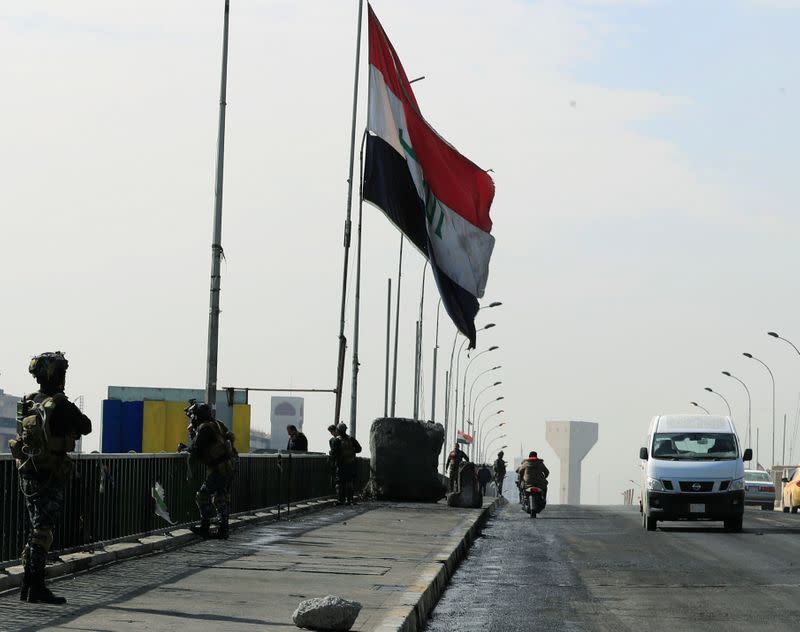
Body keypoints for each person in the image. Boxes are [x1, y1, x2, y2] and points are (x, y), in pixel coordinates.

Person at [10, 352, 91, 604]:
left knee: (36, 530)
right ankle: (37, 587)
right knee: (43, 532)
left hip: (27, 472)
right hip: (49, 474)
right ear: (55, 375)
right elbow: (86, 426)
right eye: (61, 372)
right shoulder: (59, 404)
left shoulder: (28, 401)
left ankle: (27, 585)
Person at [181, 400, 237, 539]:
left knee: (202, 496)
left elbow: (196, 448)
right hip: (227, 466)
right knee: (221, 497)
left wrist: (184, 447)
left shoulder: (205, 428)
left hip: (218, 468)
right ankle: (223, 529)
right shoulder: (217, 424)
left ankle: (206, 526)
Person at [330, 423, 362, 505]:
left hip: (341, 465)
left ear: (338, 430)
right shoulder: (351, 439)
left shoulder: (337, 440)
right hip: (351, 464)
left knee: (340, 483)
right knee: (349, 482)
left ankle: (341, 500)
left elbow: (333, 453)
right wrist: (351, 452)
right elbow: (359, 449)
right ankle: (350, 500)